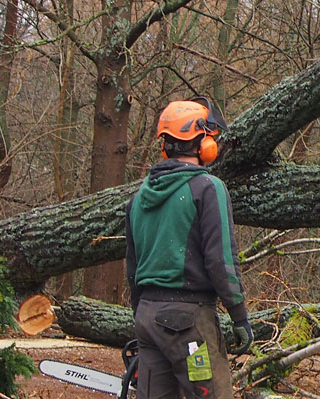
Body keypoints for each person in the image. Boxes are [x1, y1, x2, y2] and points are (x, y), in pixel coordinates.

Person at [125, 97, 254, 399]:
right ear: (202, 144)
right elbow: (221, 261)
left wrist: (140, 313)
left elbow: (132, 267)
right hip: (189, 323)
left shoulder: (138, 198)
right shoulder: (208, 189)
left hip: (147, 317)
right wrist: (239, 315)